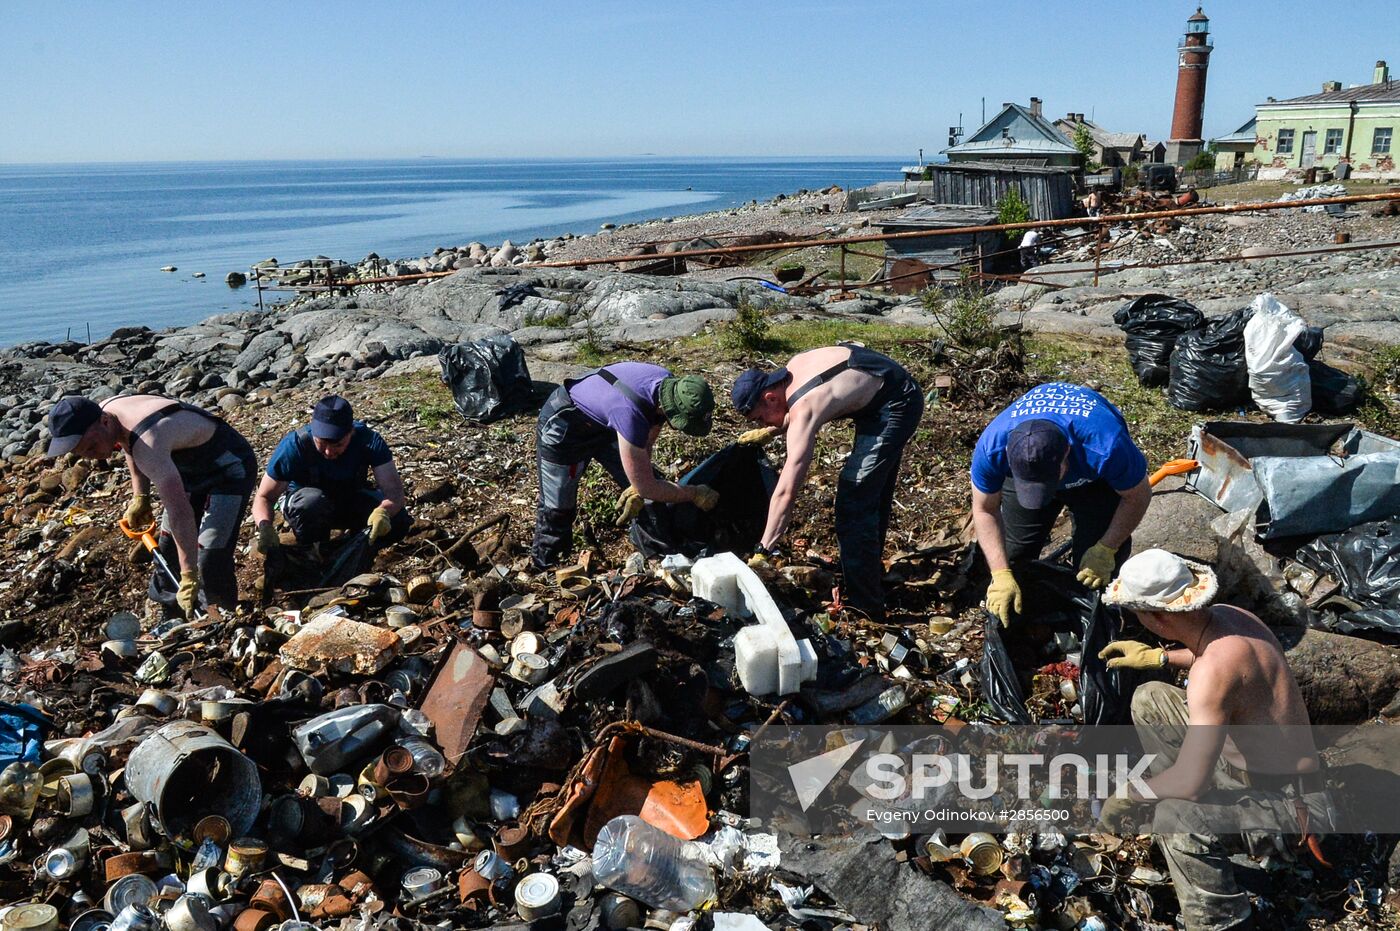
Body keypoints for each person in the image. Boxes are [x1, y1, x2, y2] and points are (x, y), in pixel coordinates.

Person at [1097, 549, 1333, 931]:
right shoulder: (1233, 618)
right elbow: (1225, 662)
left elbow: (1217, 674)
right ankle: (1194, 806)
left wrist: (1128, 793)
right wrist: (1159, 659)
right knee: (1151, 698)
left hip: (1294, 807)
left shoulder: (1213, 675)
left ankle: (1221, 921)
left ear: (1157, 617)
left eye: (1138, 614)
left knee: (1177, 815)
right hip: (1258, 772)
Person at [730, 343, 923, 621]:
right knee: (871, 490)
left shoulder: (804, 410)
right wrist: (772, 430)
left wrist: (765, 548)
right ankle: (868, 573)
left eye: (759, 419)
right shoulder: (794, 366)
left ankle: (867, 607)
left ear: (770, 397)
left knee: (854, 499)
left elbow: (786, 491)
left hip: (898, 403)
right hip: (881, 388)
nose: (762, 425)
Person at [45, 394, 257, 618]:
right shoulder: (107, 413)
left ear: (105, 422)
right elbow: (129, 444)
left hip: (228, 467)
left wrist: (189, 574)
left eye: (91, 446)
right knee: (167, 547)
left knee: (210, 553)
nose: (90, 455)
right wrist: (141, 496)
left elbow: (179, 513)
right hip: (187, 469)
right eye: (81, 452)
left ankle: (218, 616)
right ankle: (172, 616)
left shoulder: (149, 442)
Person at [970, 382, 1150, 626]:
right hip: (1040, 467)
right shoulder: (993, 447)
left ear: (1067, 451)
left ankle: (1094, 622)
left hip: (1094, 480)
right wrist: (1000, 573)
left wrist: (1107, 547)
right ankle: (1024, 621)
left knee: (1093, 570)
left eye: (1048, 481)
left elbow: (1137, 496)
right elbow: (984, 509)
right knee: (1015, 556)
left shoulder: (1105, 445)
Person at [533, 363, 717, 568]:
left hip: (606, 425)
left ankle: (657, 554)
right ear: (670, 408)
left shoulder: (668, 387)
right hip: (565, 425)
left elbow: (648, 435)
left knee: (649, 489)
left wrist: (639, 485)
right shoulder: (629, 414)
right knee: (558, 507)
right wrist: (694, 493)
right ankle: (547, 567)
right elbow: (648, 486)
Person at [251, 396, 412, 557]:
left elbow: (395, 493)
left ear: (351, 432)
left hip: (349, 500)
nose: (328, 452)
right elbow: (264, 497)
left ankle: (356, 549)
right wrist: (265, 526)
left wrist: (383, 512)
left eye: (338, 444)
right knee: (311, 502)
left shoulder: (368, 441)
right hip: (307, 509)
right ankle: (312, 549)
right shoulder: (295, 445)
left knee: (398, 521)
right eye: (322, 443)